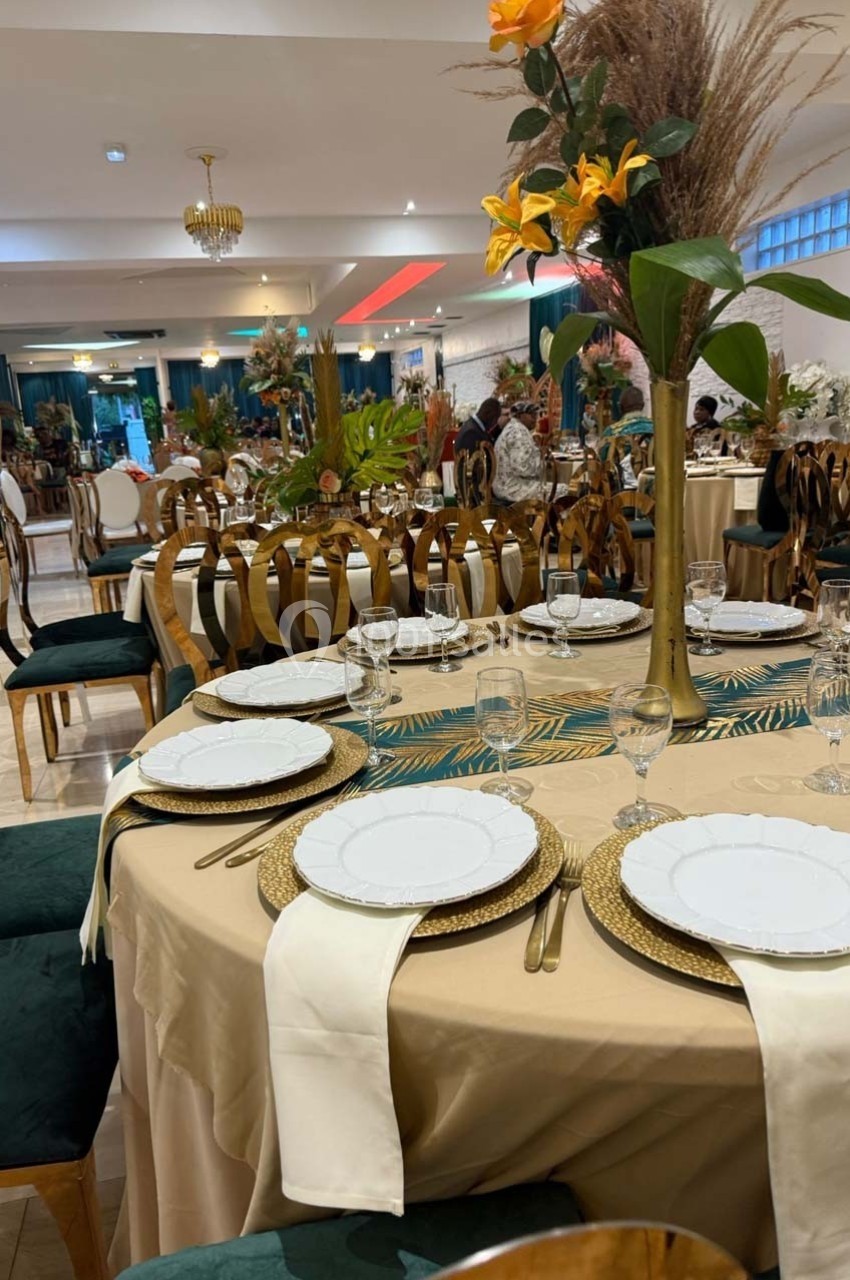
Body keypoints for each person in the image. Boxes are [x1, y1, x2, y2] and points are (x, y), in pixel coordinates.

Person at [493, 401, 566, 504]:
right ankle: (548, 519)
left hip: (505, 485)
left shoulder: (513, 428)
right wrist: (543, 462)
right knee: (563, 490)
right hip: (512, 488)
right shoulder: (518, 432)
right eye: (532, 415)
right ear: (520, 415)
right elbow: (523, 468)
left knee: (552, 485)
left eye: (536, 415)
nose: (535, 418)